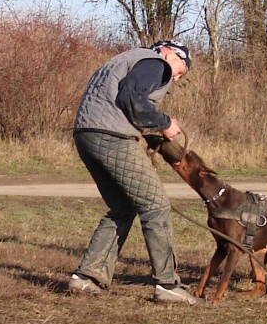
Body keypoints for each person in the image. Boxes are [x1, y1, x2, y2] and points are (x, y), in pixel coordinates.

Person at [68, 40, 203, 305]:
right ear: (171, 54)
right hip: (111, 136)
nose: (175, 78)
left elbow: (122, 98)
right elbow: (131, 97)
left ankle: (87, 276)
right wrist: (164, 122)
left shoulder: (123, 59)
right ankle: (167, 284)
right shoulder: (156, 63)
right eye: (181, 70)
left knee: (123, 207)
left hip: (85, 134)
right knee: (156, 206)